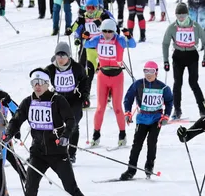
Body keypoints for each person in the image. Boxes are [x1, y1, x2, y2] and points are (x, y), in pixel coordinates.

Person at [5, 69, 102, 196]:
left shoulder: (57, 100)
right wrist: (7, 134)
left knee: (71, 189)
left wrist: (65, 136)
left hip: (58, 153)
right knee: (30, 188)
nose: (37, 86)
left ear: (47, 83)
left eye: (40, 82)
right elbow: (16, 120)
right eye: (34, 83)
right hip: (38, 154)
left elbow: (71, 120)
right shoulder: (28, 102)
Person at [84, 18, 137, 146]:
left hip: (117, 76)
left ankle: (122, 135)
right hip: (103, 75)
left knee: (118, 108)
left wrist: (129, 36)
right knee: (100, 108)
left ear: (114, 31)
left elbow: (133, 44)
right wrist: (86, 37)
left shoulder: (119, 40)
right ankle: (96, 135)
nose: (107, 34)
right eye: (104, 31)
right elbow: (87, 45)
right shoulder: (98, 39)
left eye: (109, 31)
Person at [119, 61, 173, 180]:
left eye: (151, 71)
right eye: (146, 71)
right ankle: (131, 170)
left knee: (151, 143)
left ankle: (149, 167)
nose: (148, 74)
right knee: (137, 144)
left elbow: (169, 101)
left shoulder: (163, 87)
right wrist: (127, 112)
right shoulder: (138, 84)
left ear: (156, 72)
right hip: (142, 119)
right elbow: (128, 98)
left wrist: (166, 116)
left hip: (156, 119)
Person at [43, 42, 91, 163]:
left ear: (68, 56)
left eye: (63, 56)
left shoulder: (76, 67)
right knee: (54, 125)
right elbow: (41, 76)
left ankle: (72, 153)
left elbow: (85, 80)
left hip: (73, 99)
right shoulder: (51, 68)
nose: (60, 59)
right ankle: (53, 150)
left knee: (73, 125)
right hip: (58, 99)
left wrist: (84, 96)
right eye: (58, 55)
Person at [162, 2, 205, 120]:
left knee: (193, 83)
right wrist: (166, 61)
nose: (181, 18)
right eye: (179, 16)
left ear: (188, 15)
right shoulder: (172, 27)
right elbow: (165, 43)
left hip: (192, 56)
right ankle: (177, 110)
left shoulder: (195, 27)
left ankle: (202, 109)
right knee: (177, 83)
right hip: (178, 56)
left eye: (183, 16)